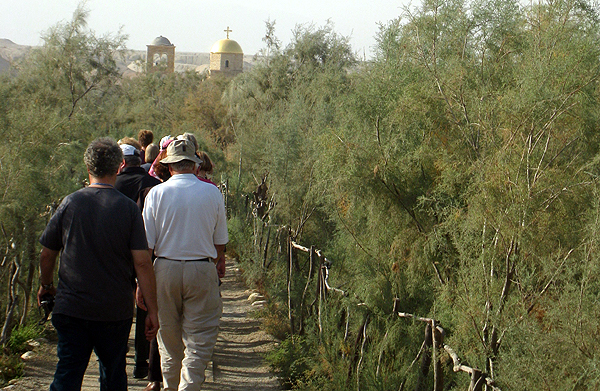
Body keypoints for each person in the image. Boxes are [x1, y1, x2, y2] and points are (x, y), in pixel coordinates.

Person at [37, 137, 159, 391]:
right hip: (113, 310)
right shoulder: (128, 210)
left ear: (87, 167)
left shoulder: (70, 203)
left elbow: (47, 254)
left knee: (67, 374)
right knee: (113, 375)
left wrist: (46, 285)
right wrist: (152, 310)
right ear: (120, 166)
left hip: (72, 308)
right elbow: (143, 264)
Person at [143, 139, 228, 391]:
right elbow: (220, 243)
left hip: (164, 269)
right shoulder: (212, 192)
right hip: (201, 267)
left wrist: (142, 284)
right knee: (199, 340)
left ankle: (171, 387)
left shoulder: (156, 193)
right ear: (194, 164)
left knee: (168, 340)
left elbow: (146, 247)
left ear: (169, 167)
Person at [113, 144, 161, 382]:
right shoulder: (152, 185)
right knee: (144, 306)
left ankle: (118, 356)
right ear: (137, 159)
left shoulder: (113, 185)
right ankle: (142, 363)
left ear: (121, 162)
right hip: (145, 252)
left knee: (120, 306)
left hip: (118, 256)